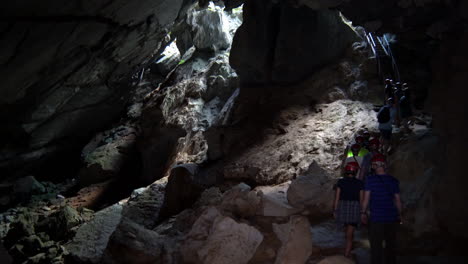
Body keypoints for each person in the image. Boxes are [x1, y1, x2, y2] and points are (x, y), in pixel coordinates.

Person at [361, 155, 403, 264]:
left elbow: (366, 199)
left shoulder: (370, 180)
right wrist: (400, 214)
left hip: (376, 218)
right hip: (391, 217)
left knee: (376, 247)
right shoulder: (393, 181)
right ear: (385, 165)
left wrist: (363, 212)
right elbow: (398, 200)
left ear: (374, 166)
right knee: (391, 246)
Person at [333, 161, 364, 258]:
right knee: (350, 233)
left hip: (343, 207)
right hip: (354, 208)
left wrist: (335, 210)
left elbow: (337, 198)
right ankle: (347, 255)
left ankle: (347, 251)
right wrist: (363, 212)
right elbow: (361, 199)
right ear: (355, 171)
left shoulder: (341, 182)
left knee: (346, 232)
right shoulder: (360, 183)